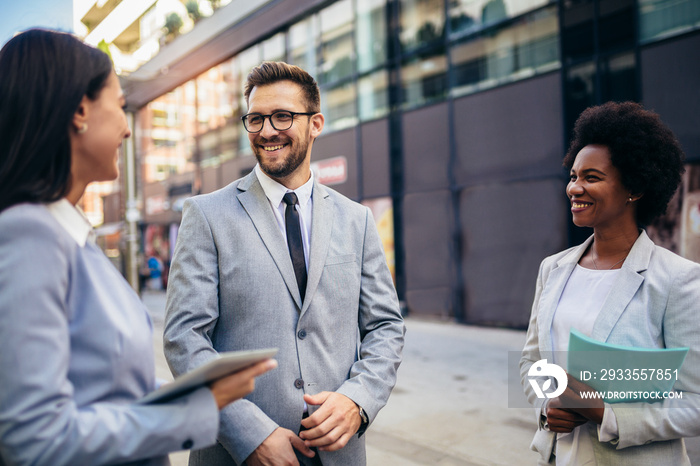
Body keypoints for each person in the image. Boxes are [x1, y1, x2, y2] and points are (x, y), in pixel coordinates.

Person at [0, 29, 276, 466]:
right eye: (120, 105)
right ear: (79, 110)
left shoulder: (74, 239)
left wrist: (192, 393)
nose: (128, 128)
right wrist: (195, 410)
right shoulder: (28, 235)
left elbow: (103, 394)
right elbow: (35, 438)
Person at [163, 61, 405, 466]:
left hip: (338, 453)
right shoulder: (206, 215)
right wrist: (249, 433)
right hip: (235, 455)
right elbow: (184, 340)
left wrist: (357, 400)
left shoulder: (357, 220)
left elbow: (385, 326)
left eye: (282, 116)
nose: (267, 131)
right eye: (256, 119)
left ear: (316, 124)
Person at [520, 101, 700, 465]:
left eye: (592, 177)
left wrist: (605, 413)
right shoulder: (552, 269)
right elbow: (531, 363)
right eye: (573, 176)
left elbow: (693, 402)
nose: (575, 188)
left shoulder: (678, 280)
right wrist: (547, 403)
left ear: (633, 187)